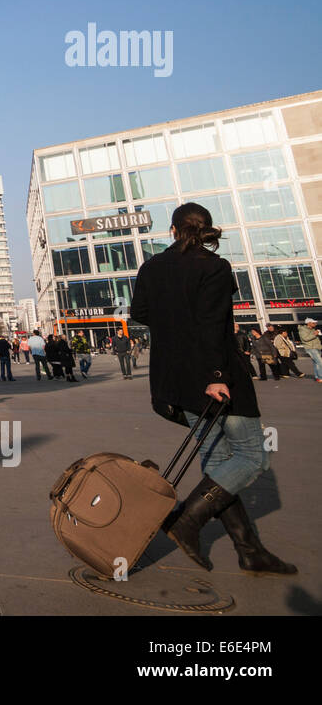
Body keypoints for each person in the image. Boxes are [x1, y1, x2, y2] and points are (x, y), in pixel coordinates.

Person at [132, 202, 295, 576]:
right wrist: (217, 373)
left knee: (219, 461)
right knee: (253, 456)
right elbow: (212, 324)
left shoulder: (151, 267)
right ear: (206, 229)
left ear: (172, 231)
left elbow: (139, 313)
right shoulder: (214, 267)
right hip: (217, 377)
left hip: (177, 379)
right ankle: (188, 518)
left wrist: (172, 318)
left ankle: (249, 549)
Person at [298, 318, 322, 383]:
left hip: (317, 347)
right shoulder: (303, 330)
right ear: (308, 323)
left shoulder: (312, 329)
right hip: (311, 348)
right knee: (320, 362)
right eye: (313, 323)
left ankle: (318, 377)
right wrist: (315, 334)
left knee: (316, 363)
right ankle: (320, 377)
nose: (315, 324)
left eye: (315, 323)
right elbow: (305, 338)